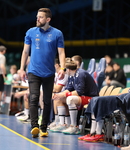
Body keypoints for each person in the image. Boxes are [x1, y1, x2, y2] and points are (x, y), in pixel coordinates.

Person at [80, 51, 130, 142]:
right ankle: (94, 132)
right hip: (125, 97)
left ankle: (98, 133)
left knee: (100, 101)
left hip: (128, 100)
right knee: (96, 99)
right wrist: (126, 92)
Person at [19, 8, 66, 138]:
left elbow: (61, 52)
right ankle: (34, 126)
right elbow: (25, 52)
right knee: (33, 98)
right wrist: (21, 68)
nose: (37, 19)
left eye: (40, 17)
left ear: (48, 19)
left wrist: (62, 68)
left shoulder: (57, 34)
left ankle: (44, 128)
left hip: (49, 73)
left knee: (46, 101)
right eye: (37, 16)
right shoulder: (30, 32)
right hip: (33, 71)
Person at [52, 60, 99, 134]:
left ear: (68, 69)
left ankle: (74, 126)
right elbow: (69, 88)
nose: (64, 71)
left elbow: (79, 91)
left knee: (70, 99)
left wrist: (64, 95)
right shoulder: (71, 75)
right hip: (82, 96)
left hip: (91, 98)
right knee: (60, 98)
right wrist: (59, 95)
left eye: (64, 69)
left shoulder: (81, 74)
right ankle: (63, 124)